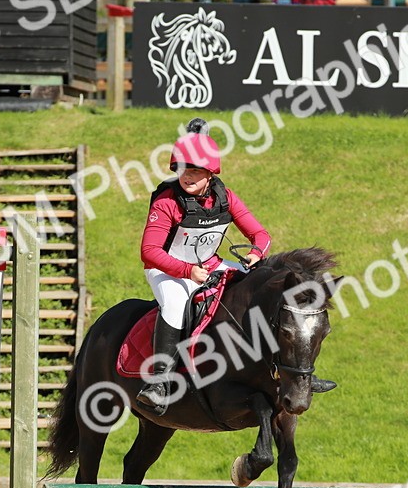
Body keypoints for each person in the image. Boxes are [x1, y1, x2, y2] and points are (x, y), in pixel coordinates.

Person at [137, 119, 335, 415]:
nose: (187, 176)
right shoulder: (167, 202)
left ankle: (296, 370)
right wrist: (187, 272)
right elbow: (149, 251)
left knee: (263, 285)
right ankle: (159, 384)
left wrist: (257, 253)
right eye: (182, 169)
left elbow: (261, 235)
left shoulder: (225, 197)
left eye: (194, 170)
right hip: (168, 270)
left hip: (211, 265)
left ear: (210, 173)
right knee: (176, 305)